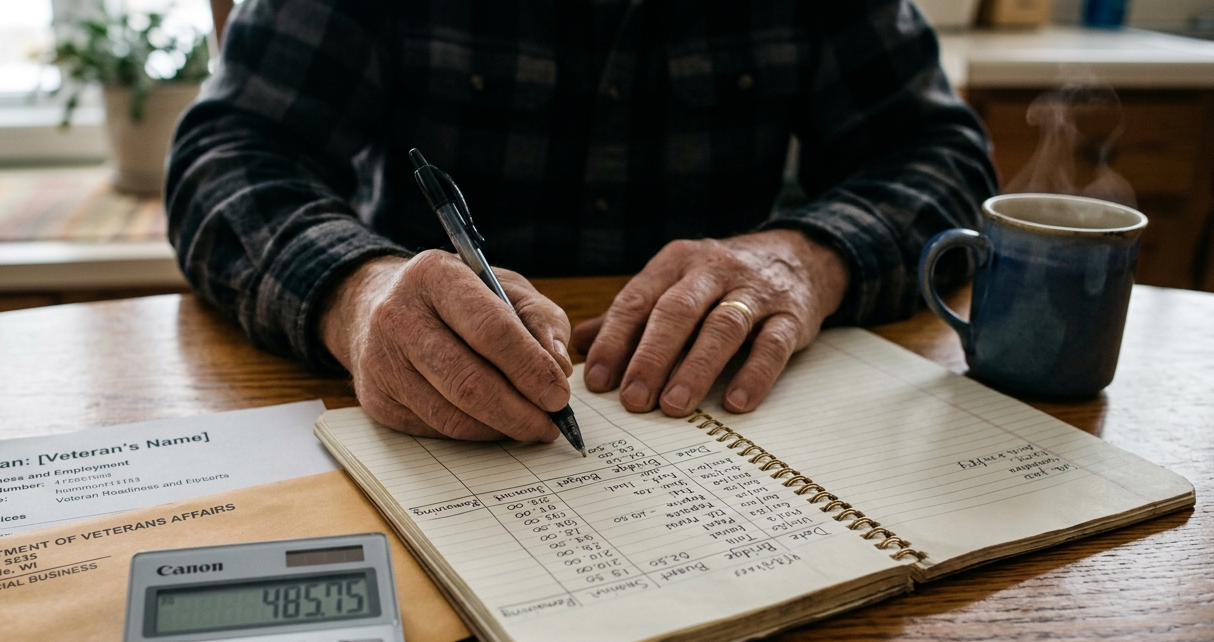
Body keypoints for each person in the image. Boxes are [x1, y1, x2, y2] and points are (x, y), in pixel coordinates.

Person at [166, 0, 996, 444]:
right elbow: (232, 153)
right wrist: (360, 292)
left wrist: (804, 259)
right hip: (417, 418)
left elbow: (940, 156)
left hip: (733, 399)